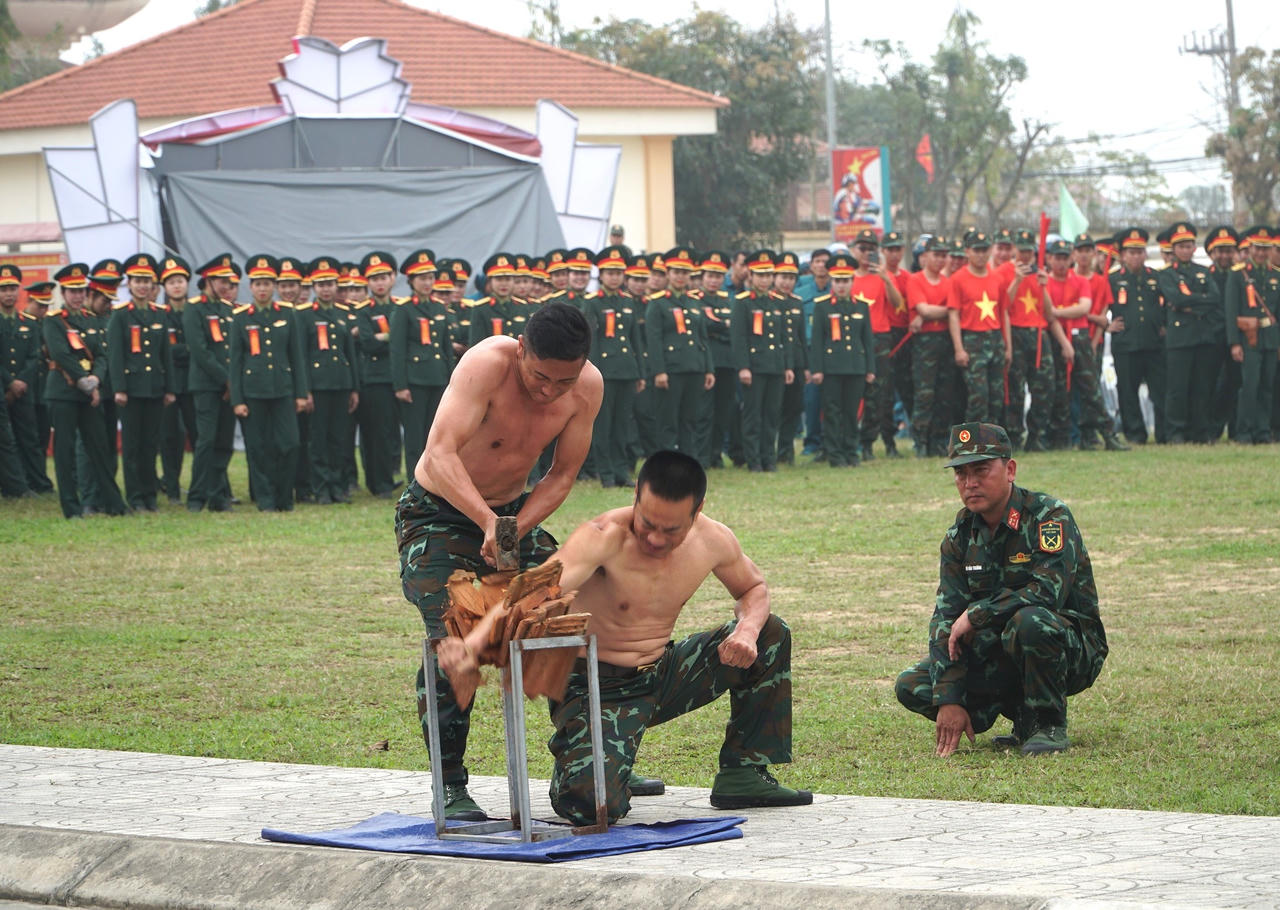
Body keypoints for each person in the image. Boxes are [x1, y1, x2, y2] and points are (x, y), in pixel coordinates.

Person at [440, 450, 811, 825]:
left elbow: (754, 588)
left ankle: (743, 773)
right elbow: (528, 595)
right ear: (636, 495)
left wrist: (746, 631)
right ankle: (587, 759)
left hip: (660, 674)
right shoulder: (603, 537)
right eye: (647, 523)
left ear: (696, 512)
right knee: (591, 808)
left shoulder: (713, 540)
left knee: (770, 633)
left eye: (671, 530)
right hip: (595, 687)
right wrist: (471, 646)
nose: (654, 538)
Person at [394, 301, 603, 820]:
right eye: (540, 377)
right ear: (521, 350)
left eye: (564, 380)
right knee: (456, 630)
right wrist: (486, 522)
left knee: (575, 612)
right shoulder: (487, 363)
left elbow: (560, 475)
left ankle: (589, 765)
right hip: (439, 512)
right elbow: (439, 452)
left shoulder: (587, 386)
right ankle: (451, 785)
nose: (550, 391)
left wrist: (511, 527)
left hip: (511, 516)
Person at [895, 422, 1108, 756]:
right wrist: (949, 698)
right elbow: (945, 619)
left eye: (981, 470)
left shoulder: (1047, 517)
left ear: (1009, 470)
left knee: (1029, 622)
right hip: (1000, 648)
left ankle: (1047, 723)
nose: (970, 483)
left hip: (1068, 647)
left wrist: (978, 612)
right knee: (912, 684)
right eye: (961, 474)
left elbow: (1047, 593)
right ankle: (1010, 712)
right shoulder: (959, 537)